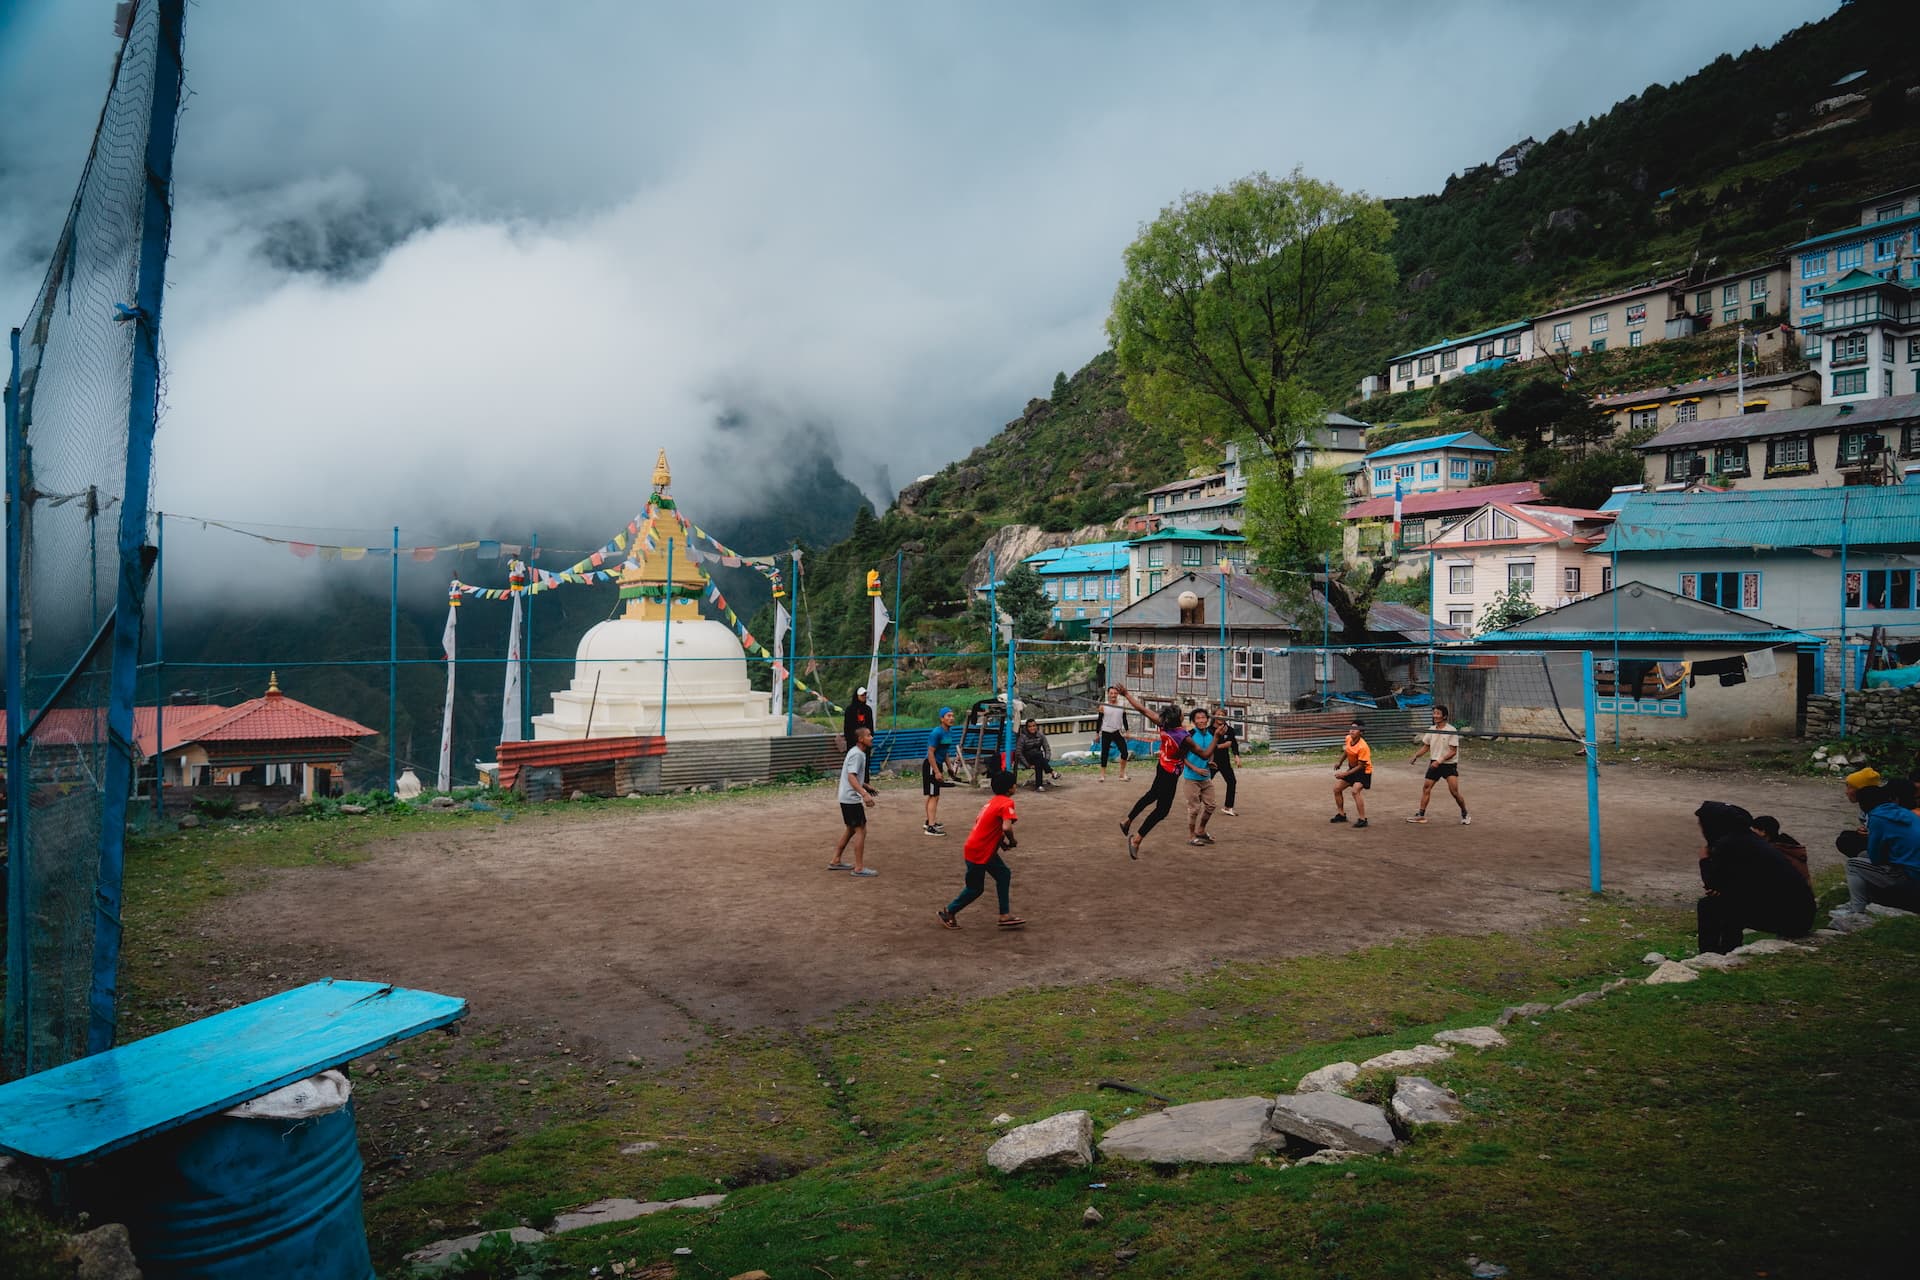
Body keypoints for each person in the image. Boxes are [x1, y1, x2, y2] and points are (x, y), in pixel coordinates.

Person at [1694, 800, 1814, 953]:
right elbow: (1731, 882)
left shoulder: (1729, 844)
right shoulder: (1748, 840)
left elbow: (1712, 883)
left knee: (1709, 906)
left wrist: (1704, 859)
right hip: (1802, 915)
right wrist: (1721, 888)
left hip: (1791, 920)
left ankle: (1710, 955)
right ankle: (1728, 950)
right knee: (1728, 899)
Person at [936, 770, 1026, 930]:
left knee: (1003, 874)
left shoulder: (992, 802)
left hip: (979, 848)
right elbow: (1006, 826)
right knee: (975, 888)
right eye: (1014, 784)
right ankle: (949, 911)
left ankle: (1004, 915)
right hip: (979, 851)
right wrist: (1012, 841)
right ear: (1010, 788)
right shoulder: (1006, 803)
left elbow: (988, 827)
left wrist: (1000, 843)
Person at [1114, 684, 1185, 860]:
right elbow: (1200, 751)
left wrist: (1127, 694)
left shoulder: (1164, 725)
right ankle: (1135, 839)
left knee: (1152, 796)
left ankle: (1128, 821)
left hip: (1163, 768)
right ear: (1178, 720)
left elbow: (1143, 709)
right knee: (1161, 810)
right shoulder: (1181, 735)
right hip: (1169, 773)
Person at [1837, 776, 1920, 916]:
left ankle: (1856, 910)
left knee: (1853, 865)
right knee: (1863, 856)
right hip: (1913, 867)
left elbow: (1876, 858)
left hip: (1909, 874)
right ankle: (1867, 898)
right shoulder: (1906, 813)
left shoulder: (1877, 818)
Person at [828, 726, 880, 876]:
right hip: (851, 798)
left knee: (851, 829)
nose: (872, 738)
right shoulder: (857, 755)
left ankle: (836, 860)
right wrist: (864, 794)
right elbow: (851, 777)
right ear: (860, 739)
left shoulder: (856, 753)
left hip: (846, 796)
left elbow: (852, 776)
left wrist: (865, 785)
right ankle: (859, 868)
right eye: (869, 735)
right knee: (861, 830)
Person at [1406, 705, 1469, 826]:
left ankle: (1465, 812)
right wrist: (1416, 756)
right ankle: (1421, 815)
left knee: (1454, 792)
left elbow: (1453, 751)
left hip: (1448, 765)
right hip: (1434, 763)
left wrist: (1439, 761)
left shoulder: (1451, 730)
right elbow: (1426, 746)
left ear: (1444, 716)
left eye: (1438, 713)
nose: (1435, 715)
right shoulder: (1432, 729)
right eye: (1434, 713)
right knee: (1426, 788)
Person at [1181, 707, 1219, 846]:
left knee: (1211, 806)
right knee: (1194, 809)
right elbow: (1181, 757)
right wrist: (1195, 768)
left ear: (1207, 719)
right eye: (1198, 718)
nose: (1201, 720)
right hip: (1191, 777)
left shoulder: (1210, 735)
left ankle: (1201, 830)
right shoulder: (1189, 735)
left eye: (1203, 717)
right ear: (1193, 721)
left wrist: (1210, 762)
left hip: (1206, 777)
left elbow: (1210, 751)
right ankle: (1191, 836)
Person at [922, 706, 960, 836]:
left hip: (937, 765)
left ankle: (929, 821)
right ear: (941, 718)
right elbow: (930, 753)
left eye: (952, 716)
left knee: (933, 795)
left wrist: (949, 768)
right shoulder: (936, 733)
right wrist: (937, 771)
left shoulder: (948, 732)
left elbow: (945, 752)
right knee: (934, 795)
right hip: (931, 765)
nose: (951, 718)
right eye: (948, 716)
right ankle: (931, 827)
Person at [1330, 720, 1372, 829]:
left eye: (1355, 729)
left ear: (1361, 732)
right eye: (1351, 728)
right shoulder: (1348, 738)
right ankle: (1341, 815)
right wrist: (1340, 762)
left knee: (1355, 791)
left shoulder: (1363, 747)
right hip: (1353, 769)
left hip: (1363, 771)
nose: (1352, 730)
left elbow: (1361, 766)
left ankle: (1363, 819)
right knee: (1337, 789)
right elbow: (1347, 751)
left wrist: (1344, 774)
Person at [1750, 815, 1811, 888]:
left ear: (1763, 832)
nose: (1751, 834)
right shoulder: (1788, 846)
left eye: (1754, 830)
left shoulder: (1773, 852)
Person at [1836, 767, 1882, 858]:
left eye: (1850, 787)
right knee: (1845, 836)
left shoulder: (1878, 809)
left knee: (1845, 840)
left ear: (1861, 791)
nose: (1846, 792)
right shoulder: (1865, 808)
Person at [1208, 708, 1240, 816]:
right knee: (1204, 782)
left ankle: (1228, 807)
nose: (1221, 716)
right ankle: (1196, 802)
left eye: (1223, 714)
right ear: (1214, 716)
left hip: (1224, 761)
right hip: (1212, 761)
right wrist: (1221, 745)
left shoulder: (1229, 729)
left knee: (1232, 782)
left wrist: (1236, 756)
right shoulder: (1209, 730)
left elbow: (1233, 743)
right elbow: (1209, 746)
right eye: (1218, 714)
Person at [1013, 718, 1059, 791]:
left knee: (1039, 760)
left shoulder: (1040, 735)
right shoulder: (1022, 737)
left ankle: (1039, 786)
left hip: (1038, 758)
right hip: (1027, 758)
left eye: (1034, 726)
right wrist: (1027, 765)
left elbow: (1047, 748)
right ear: (1027, 728)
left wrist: (1046, 759)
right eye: (1030, 726)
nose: (1032, 728)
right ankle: (1052, 772)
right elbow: (1019, 753)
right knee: (1038, 756)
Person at [1097, 688, 1131, 783]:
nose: (1113, 695)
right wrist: (1097, 734)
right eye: (1111, 693)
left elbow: (1124, 719)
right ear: (1108, 694)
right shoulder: (1103, 706)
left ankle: (1122, 774)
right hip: (1106, 732)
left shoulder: (1121, 705)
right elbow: (1099, 720)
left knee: (1124, 752)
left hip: (1117, 732)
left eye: (1115, 693)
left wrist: (1127, 731)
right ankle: (1102, 775)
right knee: (1105, 753)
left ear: (1118, 694)